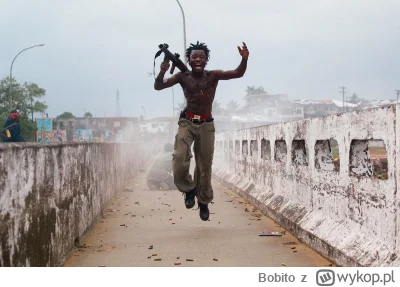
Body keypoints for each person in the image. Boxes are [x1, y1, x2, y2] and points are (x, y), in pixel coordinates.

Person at [154, 41, 249, 221]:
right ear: (189, 60)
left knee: (204, 165)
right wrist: (162, 71)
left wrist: (244, 59)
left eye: (201, 57)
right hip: (187, 122)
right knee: (180, 155)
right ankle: (189, 190)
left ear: (206, 60)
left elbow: (238, 73)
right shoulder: (182, 76)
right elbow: (158, 86)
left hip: (206, 124)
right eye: (194, 57)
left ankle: (203, 200)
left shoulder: (213, 76)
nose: (198, 59)